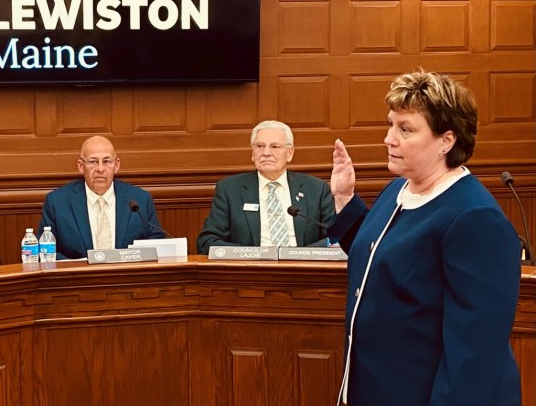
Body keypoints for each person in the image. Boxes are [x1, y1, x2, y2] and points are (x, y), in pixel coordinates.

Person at [328, 71, 522, 406]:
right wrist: (344, 199)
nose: (389, 138)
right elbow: (382, 258)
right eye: (390, 125)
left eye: (405, 129)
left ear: (447, 141)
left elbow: (475, 354)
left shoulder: (475, 218)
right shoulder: (399, 190)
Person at [196, 120, 335, 254]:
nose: (266, 153)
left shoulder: (316, 189)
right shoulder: (229, 190)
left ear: (290, 153)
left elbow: (335, 238)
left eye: (275, 147)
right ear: (253, 153)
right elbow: (207, 242)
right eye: (260, 146)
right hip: (251, 272)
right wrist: (250, 254)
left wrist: (299, 254)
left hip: (304, 272)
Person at [38, 135, 166, 259]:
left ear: (116, 165)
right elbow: (45, 253)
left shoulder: (140, 200)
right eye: (93, 162)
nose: (100, 169)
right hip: (78, 278)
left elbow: (156, 244)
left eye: (106, 162)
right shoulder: (58, 203)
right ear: (81, 166)